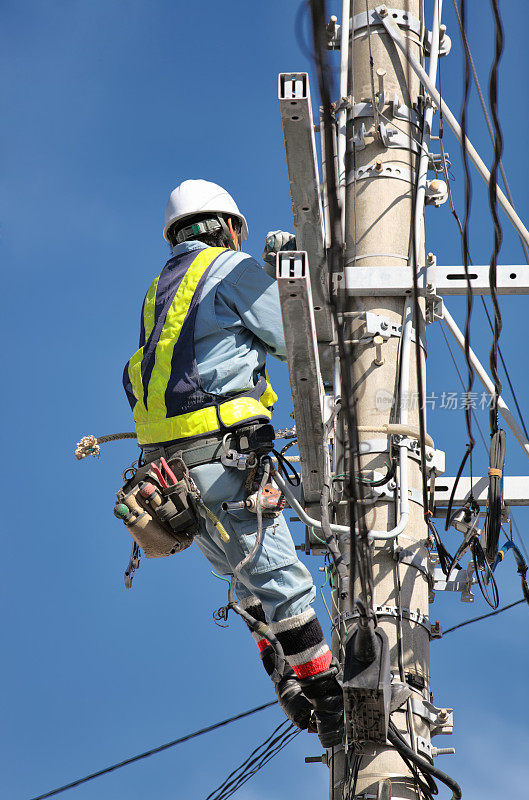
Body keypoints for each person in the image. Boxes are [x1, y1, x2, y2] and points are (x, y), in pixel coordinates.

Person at [122, 179, 343, 746]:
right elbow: (298, 334)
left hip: (168, 477)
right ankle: (331, 701)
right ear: (230, 227)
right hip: (220, 462)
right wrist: (287, 278)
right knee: (281, 580)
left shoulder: (157, 292)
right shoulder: (232, 270)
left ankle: (291, 689)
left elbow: (138, 377)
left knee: (247, 583)